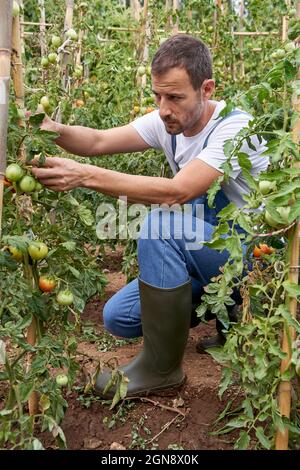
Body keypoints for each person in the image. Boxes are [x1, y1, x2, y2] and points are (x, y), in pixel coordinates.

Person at [32, 34, 269, 398]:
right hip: (209, 253)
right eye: (158, 96)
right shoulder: (168, 123)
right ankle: (228, 315)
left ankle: (162, 369)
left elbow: (180, 191)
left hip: (254, 261)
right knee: (120, 316)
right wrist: (49, 129)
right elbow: (96, 141)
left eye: (174, 97)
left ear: (207, 89)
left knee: (163, 223)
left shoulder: (236, 130)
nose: (163, 108)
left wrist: (82, 176)